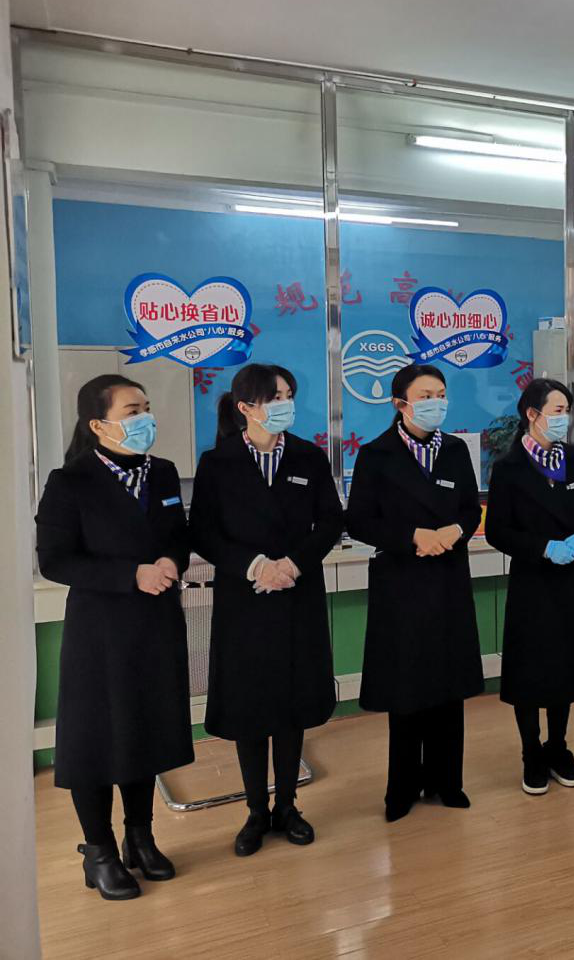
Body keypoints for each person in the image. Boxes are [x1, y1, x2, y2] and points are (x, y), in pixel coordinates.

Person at [35, 375, 193, 901]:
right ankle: (99, 851)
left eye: (146, 407)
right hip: (100, 632)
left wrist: (171, 560)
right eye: (132, 410)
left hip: (155, 625)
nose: (145, 418)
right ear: (98, 424)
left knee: (143, 730)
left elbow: (178, 536)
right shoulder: (69, 482)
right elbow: (56, 560)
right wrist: (131, 575)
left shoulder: (161, 472)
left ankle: (140, 838)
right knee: (96, 740)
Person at [191, 364, 343, 856]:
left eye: (288, 394)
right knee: (250, 707)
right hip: (245, 602)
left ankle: (288, 807)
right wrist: (255, 566)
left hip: (297, 595)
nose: (285, 404)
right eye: (275, 396)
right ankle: (256, 811)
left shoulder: (308, 457)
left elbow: (330, 521)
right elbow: (204, 532)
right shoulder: (218, 463)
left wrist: (293, 565)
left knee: (292, 705)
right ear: (245, 407)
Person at [346, 364, 485, 821]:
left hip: (447, 579)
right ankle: (402, 788)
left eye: (440, 394)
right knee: (406, 689)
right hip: (402, 584)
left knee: (448, 686)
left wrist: (456, 530)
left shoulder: (455, 451)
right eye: (425, 396)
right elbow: (359, 520)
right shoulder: (376, 454)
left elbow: (470, 508)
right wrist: (411, 537)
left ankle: (448, 781)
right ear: (399, 403)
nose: (435, 403)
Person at [485, 378, 574, 795]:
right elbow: (497, 530)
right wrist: (543, 547)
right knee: (530, 672)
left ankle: (558, 747)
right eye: (557, 410)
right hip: (534, 583)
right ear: (532, 414)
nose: (564, 418)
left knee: (567, 669)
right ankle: (531, 753)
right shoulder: (508, 468)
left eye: (566, 410)